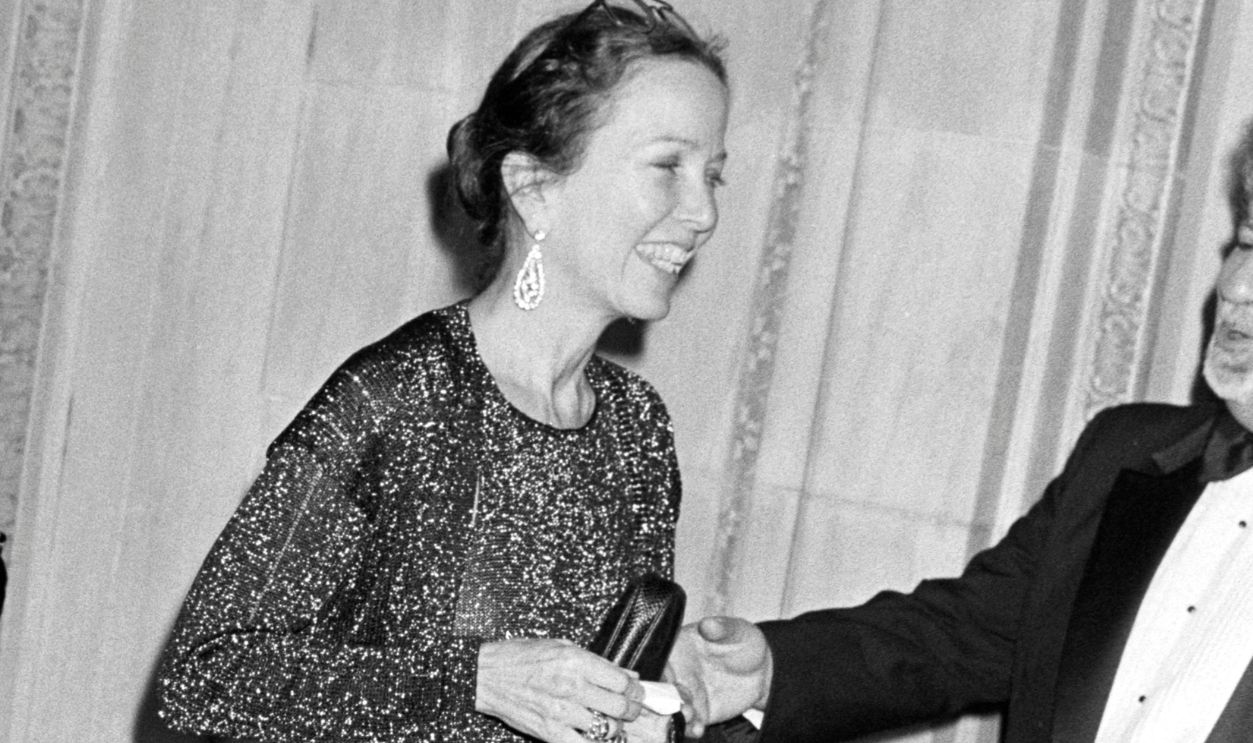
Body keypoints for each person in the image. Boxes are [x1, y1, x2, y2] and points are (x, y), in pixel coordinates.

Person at [156, 2, 729, 741]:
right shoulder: (399, 395)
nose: (704, 211)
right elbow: (207, 675)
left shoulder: (638, 428)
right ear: (532, 186)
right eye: (667, 166)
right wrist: (476, 678)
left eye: (713, 174)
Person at [666, 120, 1253, 743]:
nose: (1236, 286)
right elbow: (969, 632)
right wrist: (769, 673)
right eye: (1245, 241)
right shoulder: (1128, 454)